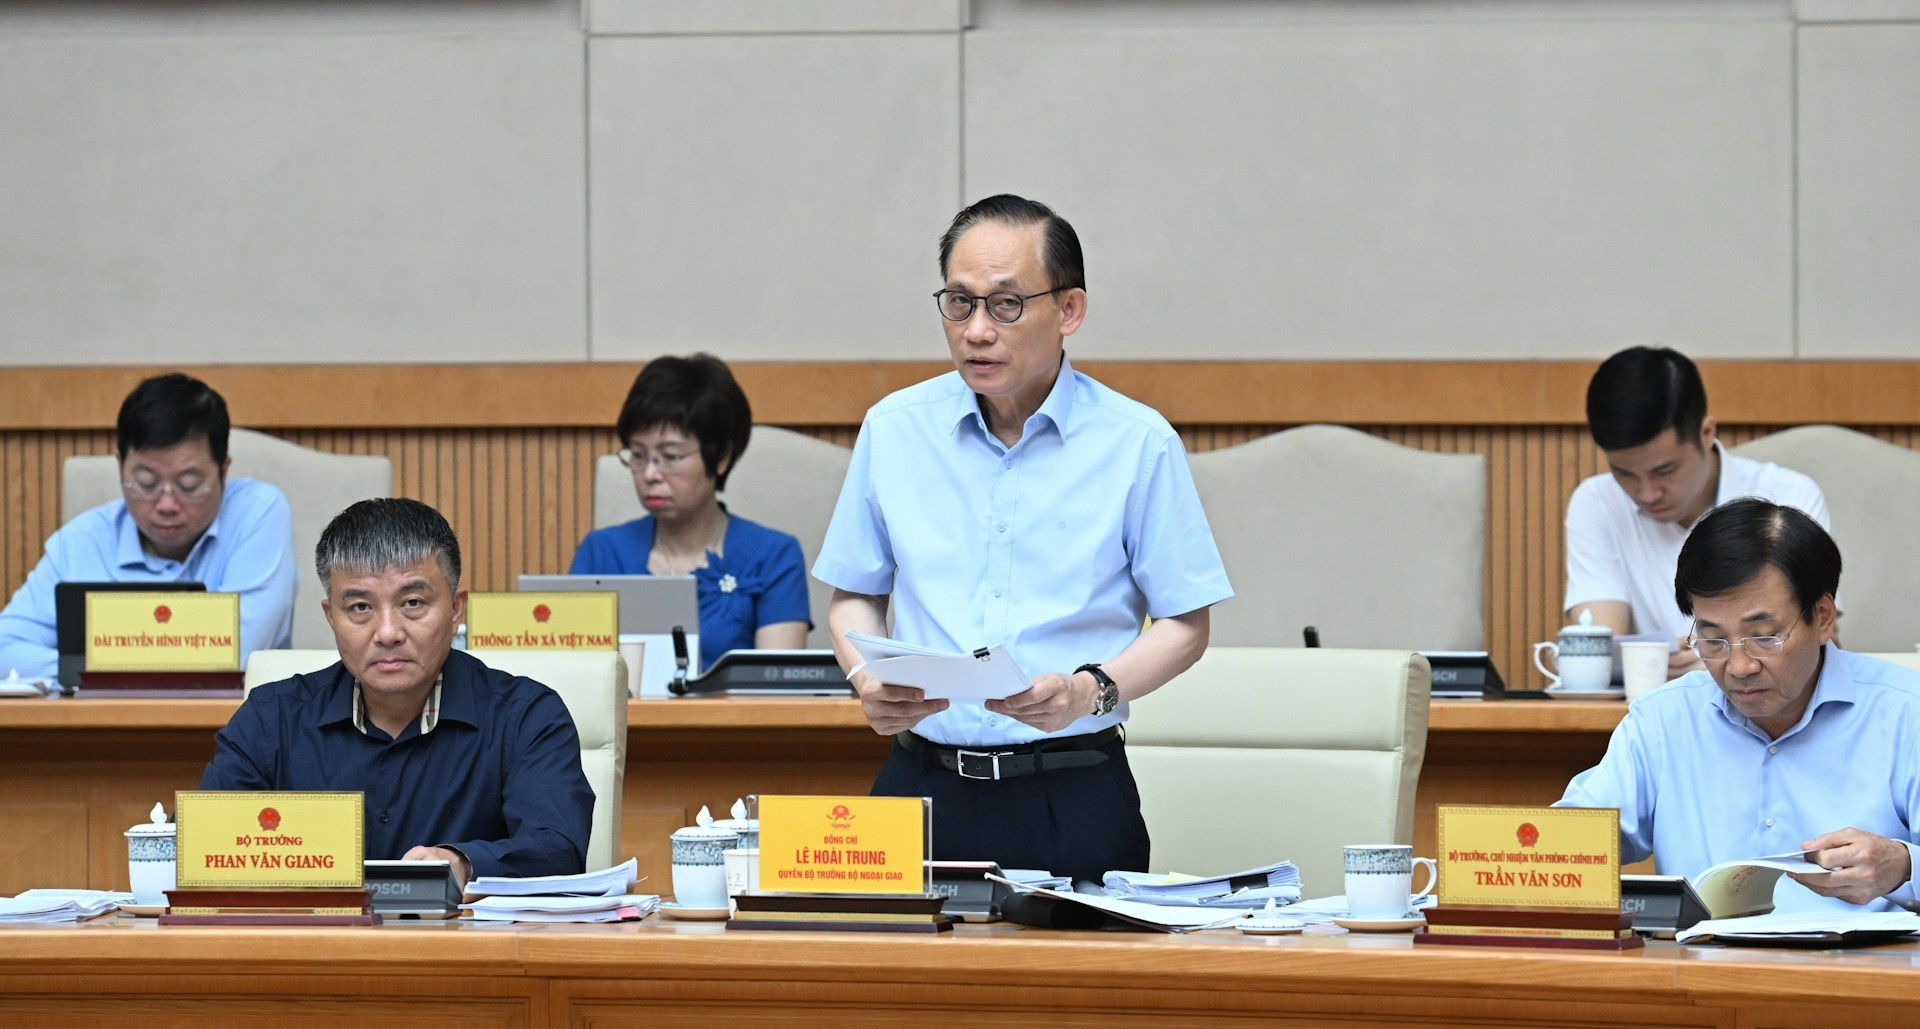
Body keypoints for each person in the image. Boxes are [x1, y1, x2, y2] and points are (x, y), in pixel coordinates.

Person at [813, 194, 1233, 874]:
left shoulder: (1136, 442)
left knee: (1081, 985)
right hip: (919, 785)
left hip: (1071, 788)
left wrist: (1089, 690)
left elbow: (1187, 623)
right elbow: (852, 596)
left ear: (1069, 310)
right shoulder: (895, 429)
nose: (977, 330)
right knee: (898, 983)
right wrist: (866, 678)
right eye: (959, 302)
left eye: (1006, 304)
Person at [203, 498, 593, 883]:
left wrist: (464, 864)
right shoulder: (271, 719)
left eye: (412, 602)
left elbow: (558, 848)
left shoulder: (526, 717)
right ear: (330, 617)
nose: (388, 633)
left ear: (457, 609)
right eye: (359, 607)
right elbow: (203, 847)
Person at [1560, 499, 1920, 913]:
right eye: (1713, 640)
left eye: (1763, 636)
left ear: (1822, 617)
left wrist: (1904, 864)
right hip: (1702, 970)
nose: (1739, 666)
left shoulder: (1906, 714)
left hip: (1861, 972)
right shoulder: (1663, 722)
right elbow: (1570, 843)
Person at [0, 373, 296, 680]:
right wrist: (93, 672)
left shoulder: (258, 513)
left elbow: (238, 654)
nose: (166, 505)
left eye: (189, 484)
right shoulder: (80, 542)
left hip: (237, 722)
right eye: (146, 483)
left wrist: (93, 666)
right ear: (120, 466)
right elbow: (5, 649)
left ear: (223, 471)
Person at [1564, 345, 1829, 680]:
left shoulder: (1787, 497)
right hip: (1648, 708)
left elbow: (1817, 641)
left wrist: (1718, 659)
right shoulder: (1598, 501)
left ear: (1706, 433)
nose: (1647, 492)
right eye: (1625, 474)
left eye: (1665, 470)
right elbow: (1601, 651)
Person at [569, 354, 810, 670]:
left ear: (721, 456)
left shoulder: (773, 555)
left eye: (670, 456)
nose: (650, 474)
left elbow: (777, 691)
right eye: (638, 455)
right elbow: (573, 675)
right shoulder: (601, 552)